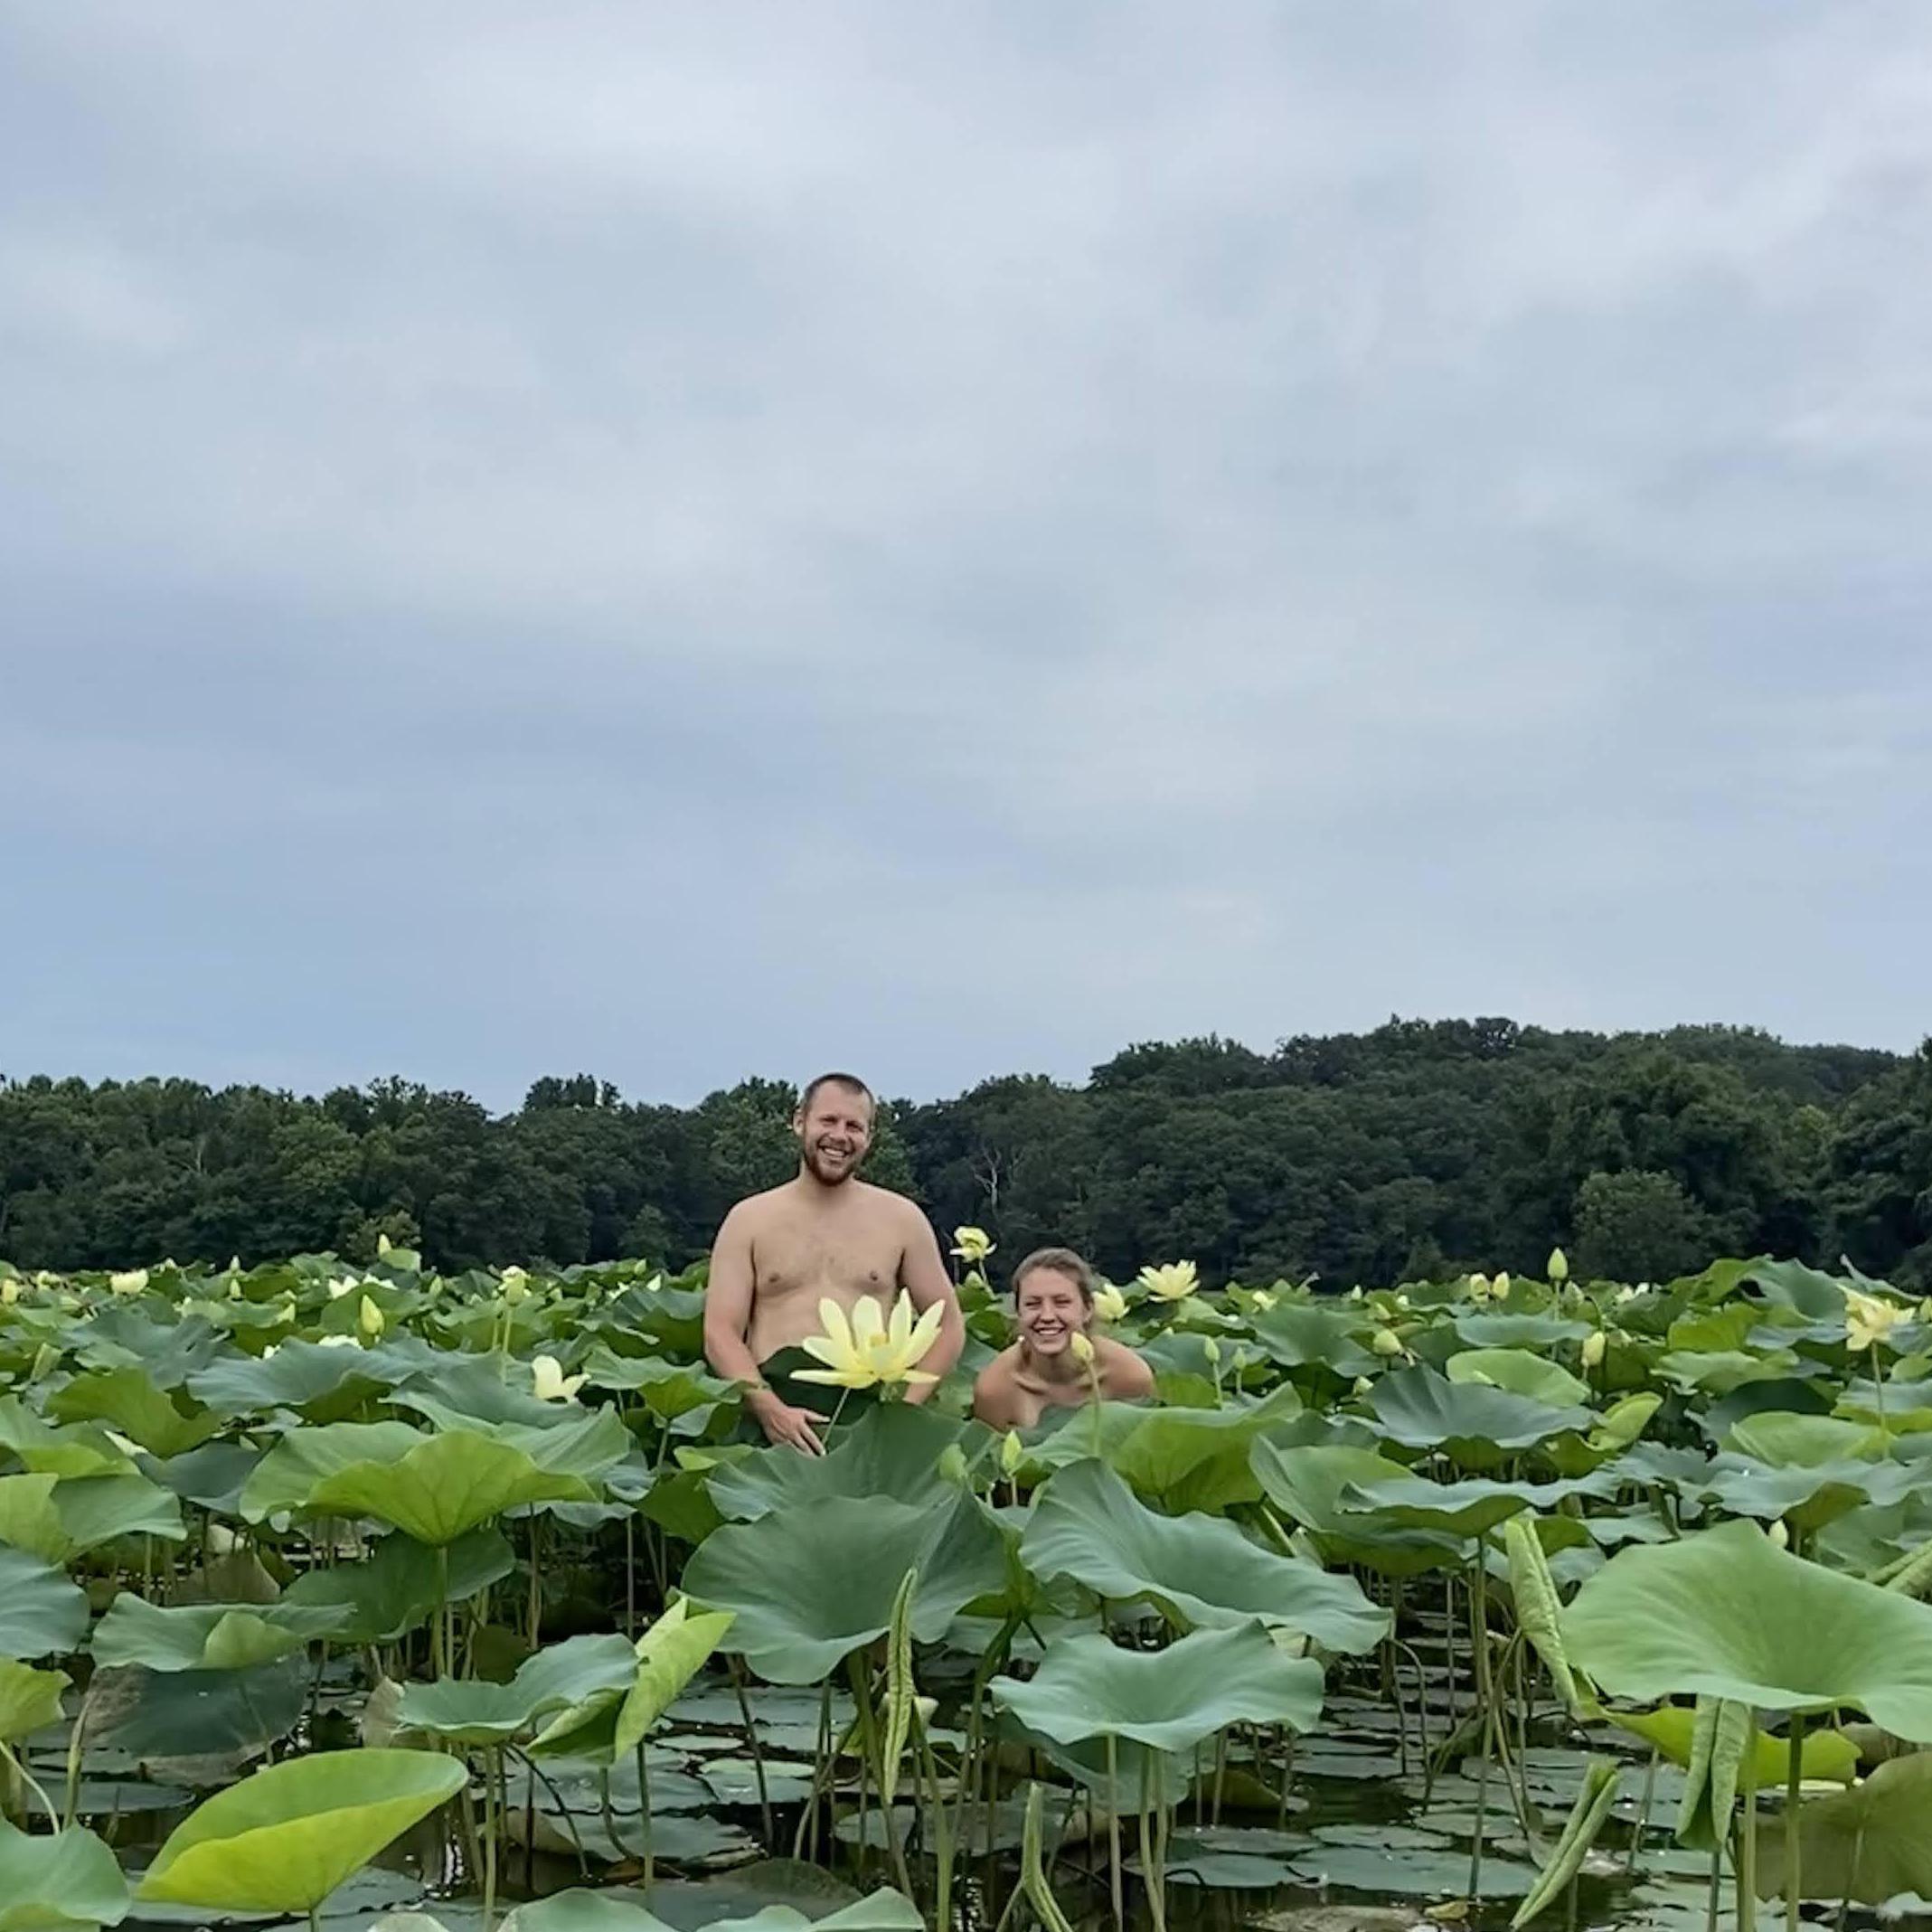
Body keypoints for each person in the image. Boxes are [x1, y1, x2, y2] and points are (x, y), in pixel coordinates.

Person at [702, 1071, 965, 1454]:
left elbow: (948, 1324)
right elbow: (720, 1332)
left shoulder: (902, 1220)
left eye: (854, 1126)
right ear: (799, 1122)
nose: (840, 1136)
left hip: (868, 1415)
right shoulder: (749, 1220)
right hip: (769, 1416)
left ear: (869, 1138)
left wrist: (903, 1412)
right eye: (828, 1121)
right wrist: (768, 1407)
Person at [972, 1246, 1153, 1428]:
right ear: (1018, 1312)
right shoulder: (996, 1388)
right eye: (1033, 1304)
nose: (1047, 1316)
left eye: (1062, 1302)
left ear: (1088, 1309)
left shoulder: (1129, 1375)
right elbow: (991, 1454)